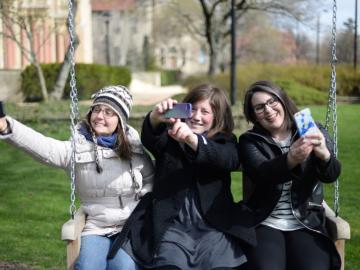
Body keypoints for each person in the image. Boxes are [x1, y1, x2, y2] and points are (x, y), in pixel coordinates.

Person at [0, 85, 154, 270]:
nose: (99, 116)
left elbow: (151, 181)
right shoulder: (76, 149)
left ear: (120, 121)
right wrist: (8, 126)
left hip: (129, 228)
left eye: (108, 112)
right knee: (87, 267)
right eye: (96, 109)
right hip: (96, 226)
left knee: (122, 267)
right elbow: (43, 147)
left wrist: (142, 206)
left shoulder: (134, 149)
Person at [108, 84, 256, 270]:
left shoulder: (225, 141)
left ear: (217, 117)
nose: (196, 116)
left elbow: (226, 158)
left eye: (205, 111)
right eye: (192, 109)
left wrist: (193, 140)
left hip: (213, 227)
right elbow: (151, 138)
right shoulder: (170, 137)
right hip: (172, 225)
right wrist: (155, 117)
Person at [237, 80, 342, 270]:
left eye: (272, 101)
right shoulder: (250, 141)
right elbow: (262, 174)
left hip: (306, 220)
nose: (268, 110)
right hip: (265, 220)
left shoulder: (313, 130)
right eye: (259, 107)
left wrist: (324, 154)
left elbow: (331, 175)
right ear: (254, 116)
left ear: (283, 101)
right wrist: (291, 159)